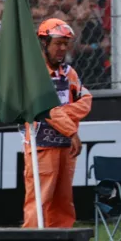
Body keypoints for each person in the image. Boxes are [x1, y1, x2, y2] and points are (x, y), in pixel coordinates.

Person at [21, 18, 93, 229]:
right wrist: (70, 130)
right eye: (57, 43)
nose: (62, 48)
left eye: (65, 43)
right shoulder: (33, 73)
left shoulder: (69, 72)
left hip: (64, 147)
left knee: (64, 202)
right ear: (44, 43)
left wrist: (62, 114)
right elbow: (44, 108)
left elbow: (86, 100)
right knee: (39, 200)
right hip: (41, 145)